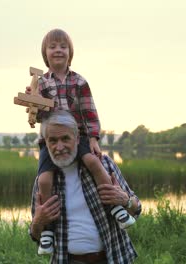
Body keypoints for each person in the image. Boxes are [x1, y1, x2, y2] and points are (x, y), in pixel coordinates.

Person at [26, 28, 135, 255]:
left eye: (63, 46)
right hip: (49, 136)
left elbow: (89, 112)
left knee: (94, 163)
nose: (58, 50)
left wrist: (93, 138)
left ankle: (116, 208)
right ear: (45, 54)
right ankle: (48, 232)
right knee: (44, 178)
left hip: (82, 136)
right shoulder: (43, 83)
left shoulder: (79, 81)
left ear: (70, 52)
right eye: (53, 47)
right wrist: (32, 99)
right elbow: (36, 116)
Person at [29, 110, 141, 264]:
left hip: (112, 258)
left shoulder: (104, 164)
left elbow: (136, 210)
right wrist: (38, 221)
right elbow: (35, 235)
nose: (59, 147)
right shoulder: (44, 180)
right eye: (53, 141)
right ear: (45, 143)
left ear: (77, 139)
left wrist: (125, 200)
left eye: (65, 138)